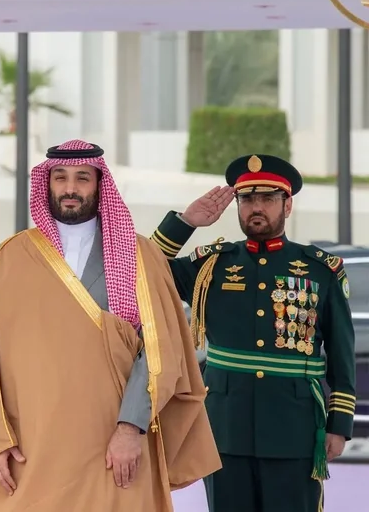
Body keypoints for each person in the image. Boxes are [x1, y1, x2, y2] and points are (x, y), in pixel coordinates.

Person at [0, 139, 221, 511]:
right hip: (31, 448)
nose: (70, 188)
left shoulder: (140, 255)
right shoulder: (12, 256)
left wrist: (131, 429)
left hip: (113, 445)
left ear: (99, 184)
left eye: (82, 178)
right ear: (47, 184)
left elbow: (158, 351)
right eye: (60, 177)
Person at [149, 154, 356, 512]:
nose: (256, 207)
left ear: (287, 205)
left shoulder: (320, 270)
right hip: (225, 429)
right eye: (247, 199)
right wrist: (185, 223)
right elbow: (144, 269)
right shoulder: (212, 264)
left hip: (294, 430)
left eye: (267, 198)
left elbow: (341, 353)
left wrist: (339, 424)